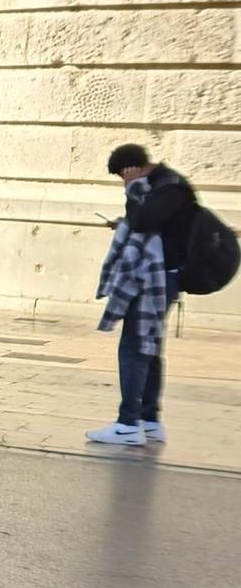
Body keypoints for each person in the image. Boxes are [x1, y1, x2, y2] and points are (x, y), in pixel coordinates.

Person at [87, 143, 194, 446]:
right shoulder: (166, 184)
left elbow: (144, 221)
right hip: (162, 277)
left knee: (134, 348)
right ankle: (149, 419)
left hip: (154, 279)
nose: (125, 182)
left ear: (130, 169)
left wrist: (132, 188)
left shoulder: (167, 186)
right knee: (149, 348)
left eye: (124, 176)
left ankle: (128, 423)